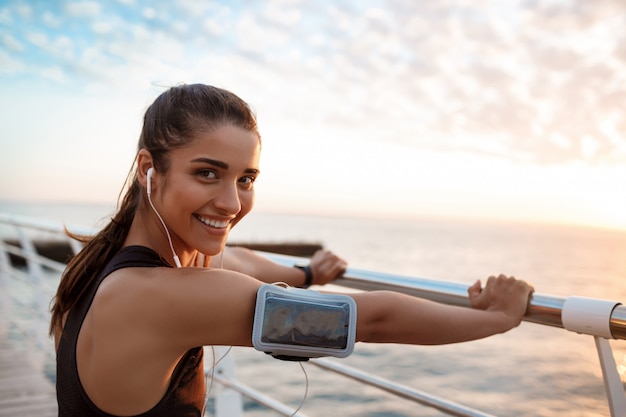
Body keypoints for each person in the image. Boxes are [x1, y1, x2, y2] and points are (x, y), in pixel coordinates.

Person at [50, 83, 534, 417]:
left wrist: (307, 272)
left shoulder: (108, 264)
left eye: (246, 179)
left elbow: (238, 261)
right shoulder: (160, 296)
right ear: (148, 168)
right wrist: (497, 318)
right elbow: (369, 319)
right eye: (207, 173)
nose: (232, 201)